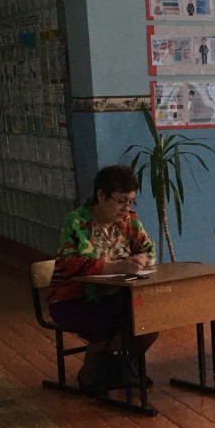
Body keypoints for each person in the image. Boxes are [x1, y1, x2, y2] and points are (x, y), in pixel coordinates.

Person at [48, 164, 157, 394]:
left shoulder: (129, 222)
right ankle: (88, 375)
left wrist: (141, 259)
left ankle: (123, 368)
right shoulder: (77, 222)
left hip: (115, 295)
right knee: (106, 325)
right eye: (121, 201)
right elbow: (70, 265)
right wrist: (113, 266)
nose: (126, 208)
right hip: (74, 298)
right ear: (101, 195)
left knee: (149, 321)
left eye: (131, 202)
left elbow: (149, 250)